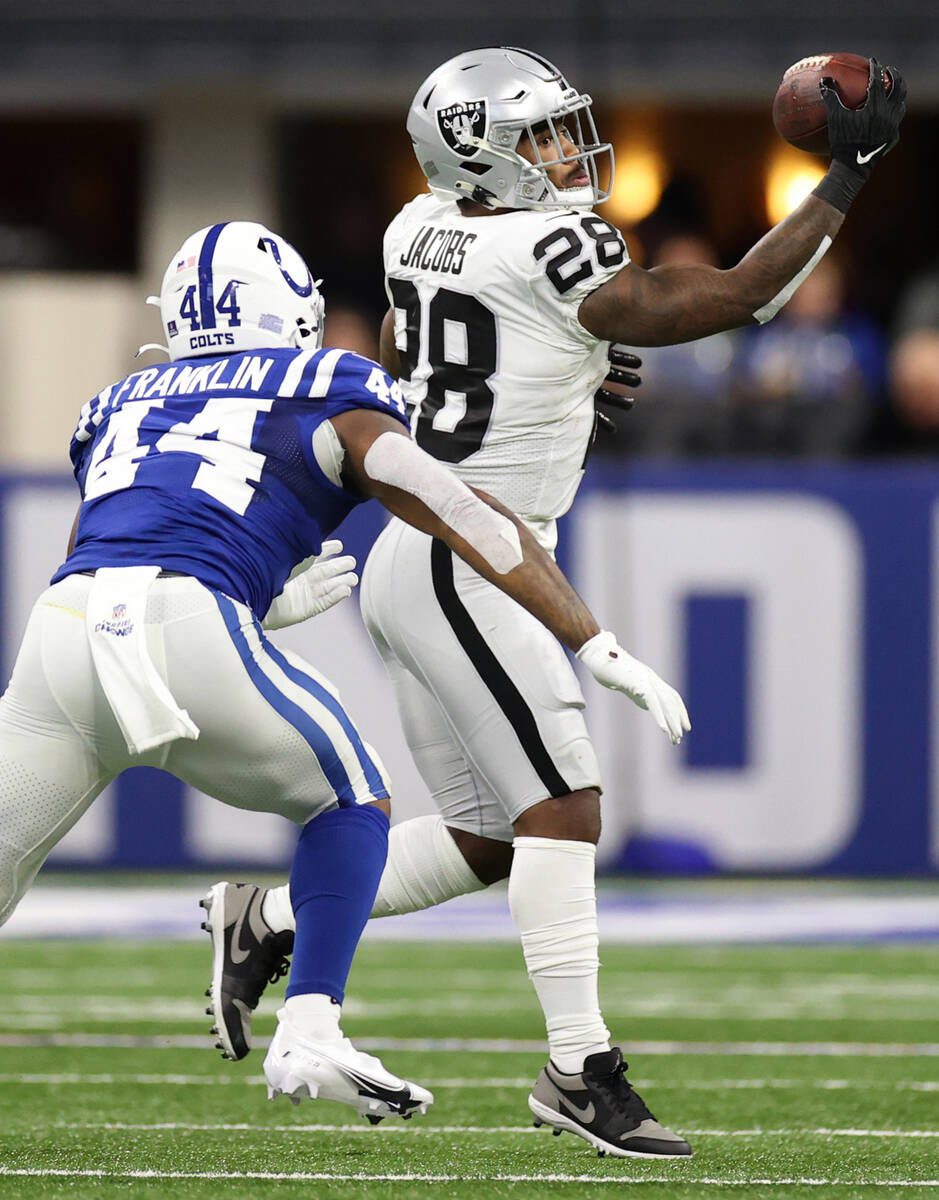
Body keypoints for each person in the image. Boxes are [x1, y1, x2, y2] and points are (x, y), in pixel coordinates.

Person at [205, 46, 905, 1160]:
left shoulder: (410, 230)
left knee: (494, 836)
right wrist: (849, 176)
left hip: (426, 549)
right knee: (567, 804)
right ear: (477, 145)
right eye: (539, 134)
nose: (566, 151)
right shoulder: (551, 242)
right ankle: (581, 1070)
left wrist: (571, 371)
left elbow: (426, 355)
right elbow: (729, 297)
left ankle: (271, 917)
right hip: (473, 558)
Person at [0, 218, 688, 1131]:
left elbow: (140, 528)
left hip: (63, 630)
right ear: (289, 307)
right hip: (189, 620)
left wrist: (259, 595)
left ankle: (278, 950)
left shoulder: (120, 399)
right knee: (352, 797)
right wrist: (587, 637)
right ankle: (311, 1022)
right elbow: (460, 506)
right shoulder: (332, 381)